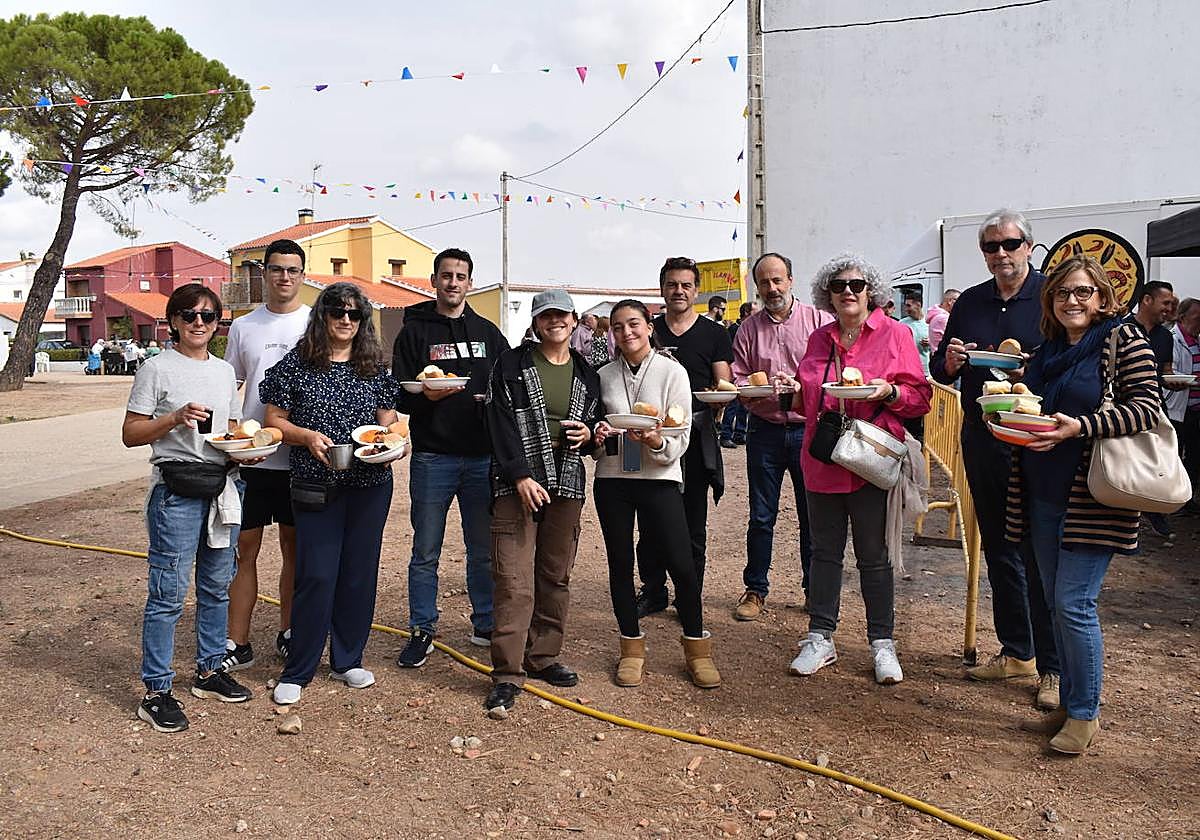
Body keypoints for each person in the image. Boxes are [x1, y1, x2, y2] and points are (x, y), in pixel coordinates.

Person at [1006, 255, 1159, 754]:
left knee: (1075, 603)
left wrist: (1080, 426)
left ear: (1102, 297)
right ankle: (1071, 705)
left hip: (1093, 493)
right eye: (1062, 292)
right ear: (1050, 300)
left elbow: (1145, 408)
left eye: (1083, 292)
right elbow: (1034, 409)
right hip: (1042, 491)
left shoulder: (1124, 340)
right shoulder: (1047, 351)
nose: (1072, 300)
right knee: (1055, 601)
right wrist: (1010, 417)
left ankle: (1086, 714)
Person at [930, 209, 1060, 709]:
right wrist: (954, 359)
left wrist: (1035, 366)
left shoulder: (1051, 295)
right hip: (983, 435)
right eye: (991, 247)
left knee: (1039, 549)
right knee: (1000, 545)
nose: (1001, 254)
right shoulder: (970, 302)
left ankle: (1051, 667)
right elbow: (941, 362)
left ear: (1029, 245)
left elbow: (1072, 356)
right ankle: (1017, 651)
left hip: (1036, 437)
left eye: (1010, 244)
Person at [780, 253, 931, 684]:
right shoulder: (819, 338)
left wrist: (889, 391)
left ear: (872, 292)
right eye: (839, 285)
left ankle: (882, 643)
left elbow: (920, 399)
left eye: (858, 284)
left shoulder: (896, 334)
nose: (848, 291)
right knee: (823, 551)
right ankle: (820, 636)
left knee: (873, 555)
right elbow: (808, 398)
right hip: (824, 456)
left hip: (871, 459)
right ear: (827, 294)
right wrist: (784, 393)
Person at [121, 283, 253, 733]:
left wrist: (243, 449)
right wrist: (174, 418)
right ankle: (156, 690)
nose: (199, 322)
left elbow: (227, 430)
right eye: (190, 314)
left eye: (208, 316)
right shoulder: (156, 370)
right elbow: (131, 432)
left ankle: (210, 670)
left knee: (218, 587)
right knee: (168, 595)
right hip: (175, 491)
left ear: (218, 324)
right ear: (174, 321)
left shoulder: (222, 371)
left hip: (222, 486)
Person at [262, 283, 400, 705]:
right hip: (314, 484)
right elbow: (274, 421)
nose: (345, 319)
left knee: (359, 574)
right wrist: (305, 437)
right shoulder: (297, 364)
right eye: (337, 311)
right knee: (317, 574)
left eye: (355, 314)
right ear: (322, 315)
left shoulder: (374, 367)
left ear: (363, 322)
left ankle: (347, 659)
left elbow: (390, 423)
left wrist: (395, 441)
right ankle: (299, 667)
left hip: (369, 485)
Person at [482, 289, 604, 713]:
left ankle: (544, 655)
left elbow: (594, 424)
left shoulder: (587, 372)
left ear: (574, 321)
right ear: (535, 323)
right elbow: (497, 422)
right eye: (545, 315)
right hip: (517, 484)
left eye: (561, 315)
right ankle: (508, 672)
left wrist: (590, 434)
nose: (554, 322)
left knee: (555, 575)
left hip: (567, 483)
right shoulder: (512, 364)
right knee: (514, 580)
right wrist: (519, 475)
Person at [592, 300, 720, 689]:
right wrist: (598, 439)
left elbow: (680, 435)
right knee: (619, 561)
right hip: (613, 478)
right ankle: (630, 647)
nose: (626, 333)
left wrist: (655, 440)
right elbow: (596, 431)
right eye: (617, 327)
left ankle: (697, 648)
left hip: (660, 477)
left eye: (633, 324)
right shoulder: (603, 375)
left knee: (681, 560)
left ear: (649, 326)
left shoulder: (672, 372)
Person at [392, 248, 509, 667]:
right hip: (432, 457)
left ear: (470, 282)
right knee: (426, 551)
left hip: (480, 458)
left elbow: (508, 384)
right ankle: (422, 628)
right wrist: (427, 396)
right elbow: (399, 394)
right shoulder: (414, 333)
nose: (453, 282)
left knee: (481, 549)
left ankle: (485, 622)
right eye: (446, 275)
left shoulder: (488, 332)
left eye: (461, 276)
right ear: (434, 280)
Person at [220, 239, 311, 673]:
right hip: (253, 459)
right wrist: (230, 440)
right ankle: (236, 641)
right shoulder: (244, 327)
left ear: (303, 274)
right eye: (277, 269)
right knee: (244, 550)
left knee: (296, 551)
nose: (284, 277)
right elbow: (227, 387)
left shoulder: (316, 324)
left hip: (299, 459)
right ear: (265, 273)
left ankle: (290, 632)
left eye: (293, 270)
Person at [730, 253, 833, 620]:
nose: (771, 289)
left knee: (813, 516)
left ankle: (814, 590)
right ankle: (755, 590)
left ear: (791, 280)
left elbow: (834, 372)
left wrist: (802, 385)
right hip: (765, 432)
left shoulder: (819, 321)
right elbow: (739, 379)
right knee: (761, 515)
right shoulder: (748, 329)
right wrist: (756, 389)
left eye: (777, 280)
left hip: (810, 428)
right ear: (756, 287)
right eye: (764, 283)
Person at [637, 257, 733, 615]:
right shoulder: (649, 329)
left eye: (686, 285)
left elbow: (723, 383)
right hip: (649, 435)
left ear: (696, 290)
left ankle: (688, 593)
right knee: (649, 517)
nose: (679, 291)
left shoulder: (714, 333)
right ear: (662, 288)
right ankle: (653, 589)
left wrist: (720, 398)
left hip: (694, 432)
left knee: (693, 519)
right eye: (672, 284)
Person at [1126, 281, 1178, 542]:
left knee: (1158, 461)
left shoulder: (1165, 336)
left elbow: (1165, 372)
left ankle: (1154, 510)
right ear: (1147, 300)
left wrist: (1176, 382)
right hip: (1126, 409)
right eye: (1165, 303)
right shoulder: (1121, 329)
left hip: (1156, 408)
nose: (1169, 309)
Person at [1172, 298, 1200, 497]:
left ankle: (1188, 496)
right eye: (1197, 318)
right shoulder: (1172, 339)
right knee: (1174, 454)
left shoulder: (1197, 340)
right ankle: (1171, 497)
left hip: (1195, 410)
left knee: (1194, 455)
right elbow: (1170, 371)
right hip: (1178, 409)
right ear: (1182, 317)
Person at [720, 301, 754, 448]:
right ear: (746, 313)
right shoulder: (734, 329)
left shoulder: (752, 329)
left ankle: (740, 433)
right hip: (734, 373)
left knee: (744, 407)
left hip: (748, 373)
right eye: (754, 312)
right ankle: (726, 435)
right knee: (732, 406)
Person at [899, 290, 930, 375]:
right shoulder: (902, 323)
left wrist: (930, 343)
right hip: (907, 370)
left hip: (925, 370)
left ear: (918, 305)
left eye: (909, 306)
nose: (906, 309)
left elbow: (938, 347)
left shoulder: (929, 323)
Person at [927, 289, 960, 356]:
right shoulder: (943, 318)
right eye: (959, 301)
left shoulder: (938, 316)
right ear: (950, 301)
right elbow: (957, 338)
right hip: (943, 357)